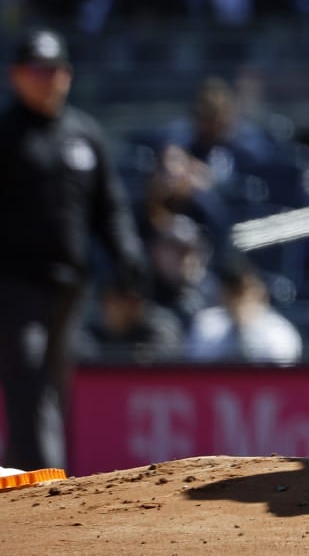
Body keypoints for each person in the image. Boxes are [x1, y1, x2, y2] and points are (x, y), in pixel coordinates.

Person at [0, 28, 147, 472]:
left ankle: (23, 482)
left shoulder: (84, 135)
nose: (45, 79)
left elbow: (110, 206)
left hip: (69, 288)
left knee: (52, 385)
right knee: (30, 378)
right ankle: (45, 486)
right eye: (35, 70)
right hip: (14, 284)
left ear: (68, 74)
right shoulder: (5, 136)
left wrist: (127, 255)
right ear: (15, 76)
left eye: (54, 69)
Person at [185, 265, 303, 365]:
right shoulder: (206, 324)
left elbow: (283, 381)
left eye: (245, 293)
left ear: (261, 294)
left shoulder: (279, 332)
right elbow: (196, 371)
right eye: (234, 292)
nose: (239, 301)